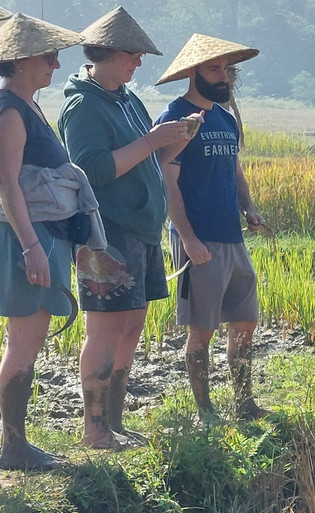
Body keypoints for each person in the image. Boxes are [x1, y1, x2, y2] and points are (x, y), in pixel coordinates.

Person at [58, 7, 194, 449]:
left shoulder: (127, 99)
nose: (139, 63)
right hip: (107, 233)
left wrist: (170, 142)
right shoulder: (83, 106)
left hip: (142, 228)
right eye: (134, 55)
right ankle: (94, 428)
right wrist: (155, 140)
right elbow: (92, 170)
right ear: (108, 54)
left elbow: (145, 157)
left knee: (133, 322)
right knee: (106, 327)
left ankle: (113, 422)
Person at [154, 33, 265, 423]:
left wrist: (249, 209)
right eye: (214, 69)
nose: (224, 78)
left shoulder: (225, 119)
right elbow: (167, 183)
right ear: (192, 73)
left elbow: (236, 174)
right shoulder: (174, 118)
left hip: (232, 237)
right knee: (202, 329)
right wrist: (187, 238)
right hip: (197, 239)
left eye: (226, 70)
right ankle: (205, 411)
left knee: (246, 321)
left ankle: (244, 402)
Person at [0, 14, 86, 470]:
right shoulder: (10, 109)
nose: (56, 64)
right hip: (28, 239)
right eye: (48, 56)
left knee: (28, 340)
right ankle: (13, 444)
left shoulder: (28, 105)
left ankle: (17, 440)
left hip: (42, 236)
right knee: (24, 341)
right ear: (19, 60)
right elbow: (8, 185)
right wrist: (32, 247)